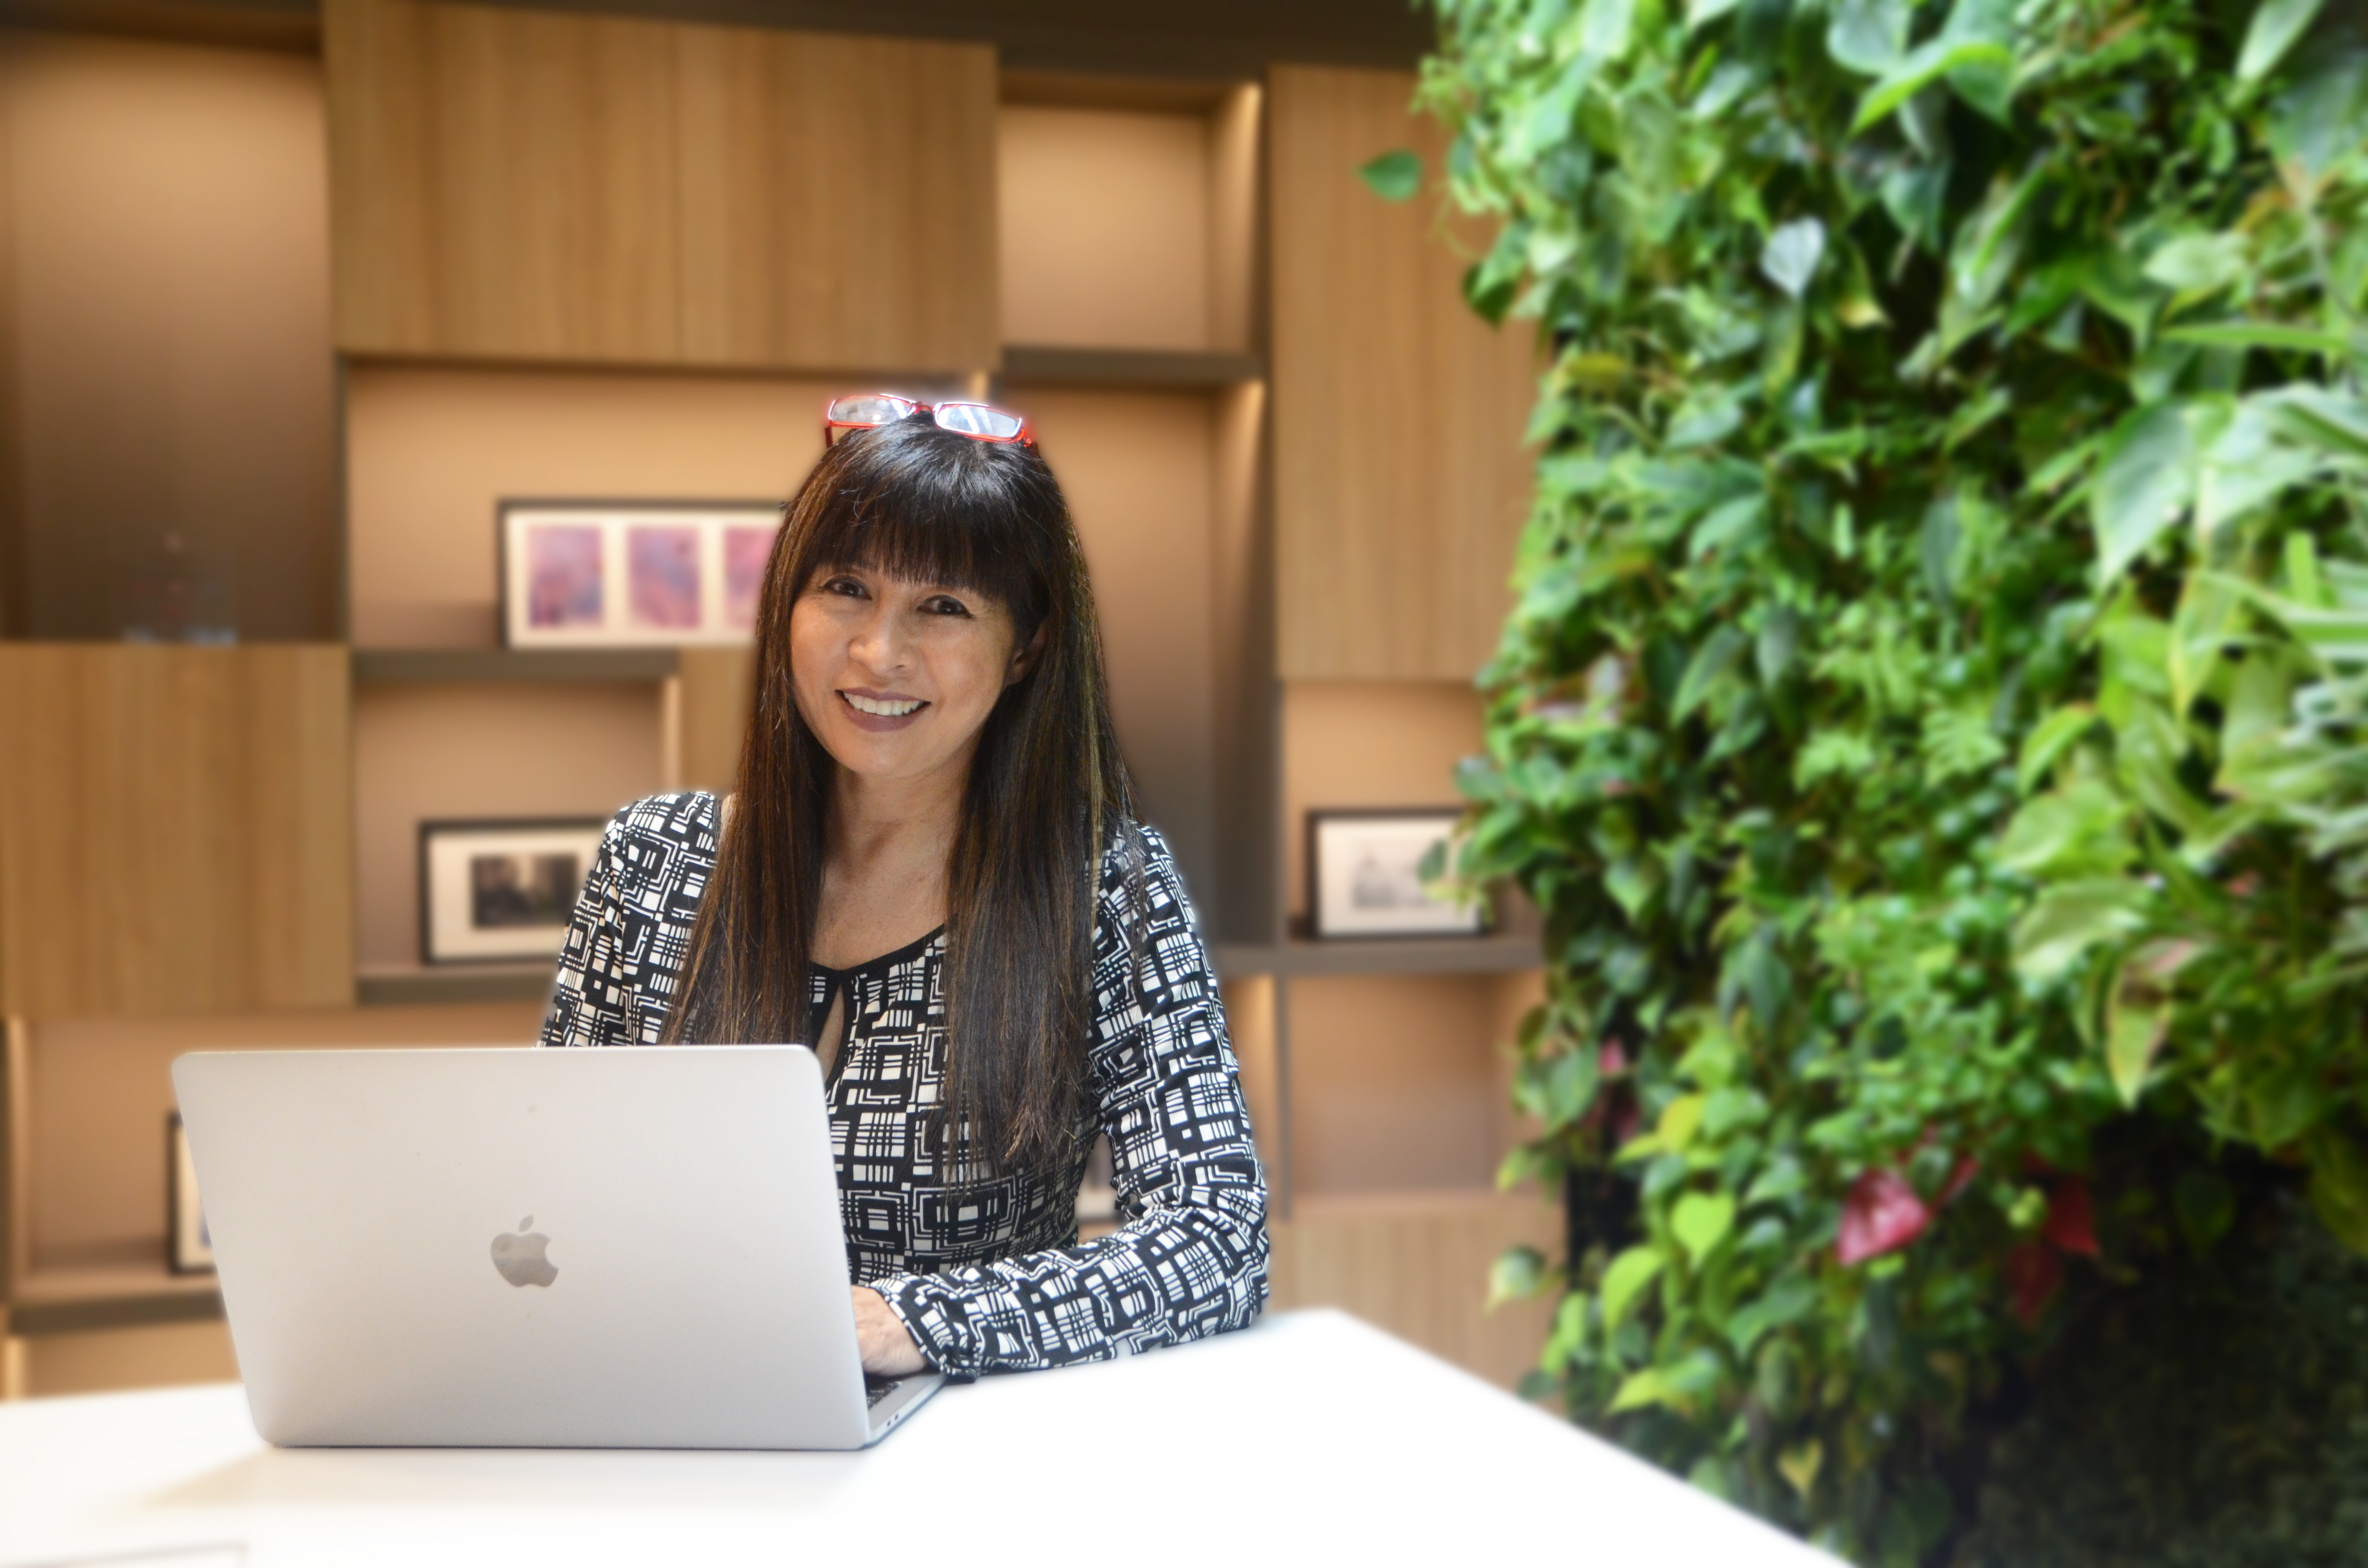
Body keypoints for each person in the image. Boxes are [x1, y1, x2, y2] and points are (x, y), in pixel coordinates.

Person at [540, 394, 1270, 1380]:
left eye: (944, 607)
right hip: (668, 1425)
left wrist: (914, 1322)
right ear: (786, 605)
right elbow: (548, 1193)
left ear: (1027, 649)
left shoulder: (1102, 888)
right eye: (845, 588)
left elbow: (1216, 1243)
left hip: (956, 1467)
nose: (880, 652)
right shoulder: (654, 861)